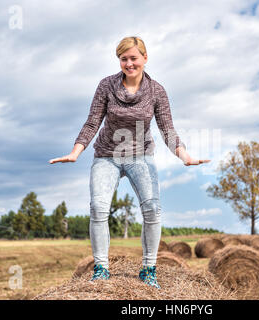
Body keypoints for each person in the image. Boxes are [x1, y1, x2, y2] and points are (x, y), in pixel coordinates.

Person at [49, 36, 210, 289]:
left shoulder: (156, 91)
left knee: (152, 210)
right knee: (98, 209)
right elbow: (92, 122)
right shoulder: (106, 86)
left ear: (145, 58)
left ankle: (149, 269)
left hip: (140, 155)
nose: (129, 63)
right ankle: (101, 268)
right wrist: (75, 151)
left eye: (134, 58)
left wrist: (184, 155)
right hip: (107, 155)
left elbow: (167, 129)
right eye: (124, 59)